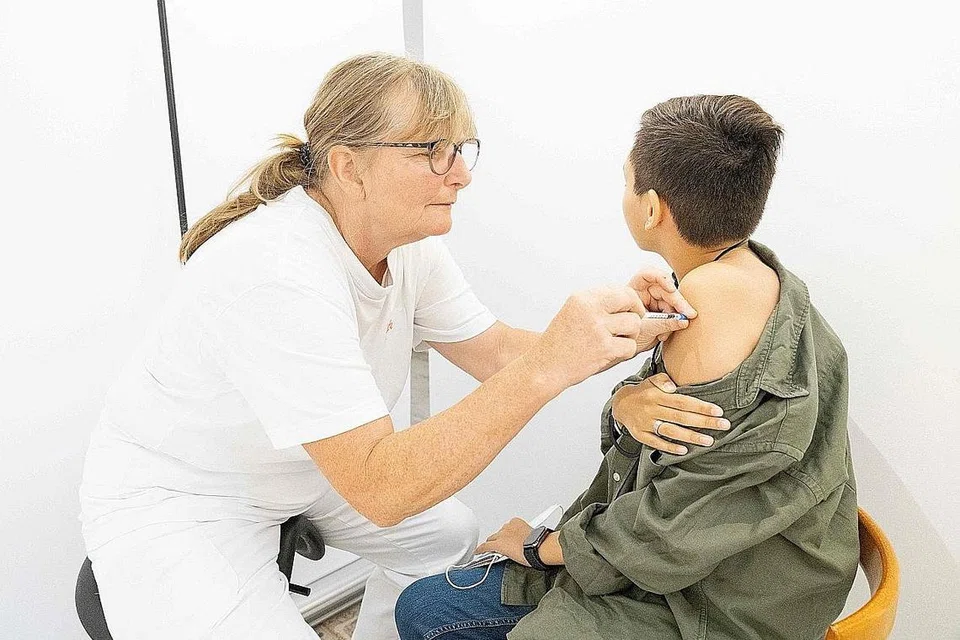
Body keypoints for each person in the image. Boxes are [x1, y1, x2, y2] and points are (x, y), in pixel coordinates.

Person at [78, 54, 726, 640]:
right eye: (432, 150)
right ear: (348, 166)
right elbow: (382, 490)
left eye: (463, 148)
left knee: (444, 536)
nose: (462, 175)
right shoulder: (279, 271)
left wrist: (618, 339)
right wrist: (550, 366)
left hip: (301, 466)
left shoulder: (408, 248)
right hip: (186, 499)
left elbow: (497, 352)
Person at [394, 95, 861, 640]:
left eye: (626, 181)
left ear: (651, 208)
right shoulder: (751, 270)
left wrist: (544, 546)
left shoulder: (706, 303)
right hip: (755, 568)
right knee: (426, 606)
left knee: (427, 615)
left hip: (718, 602)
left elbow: (677, 523)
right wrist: (625, 395)